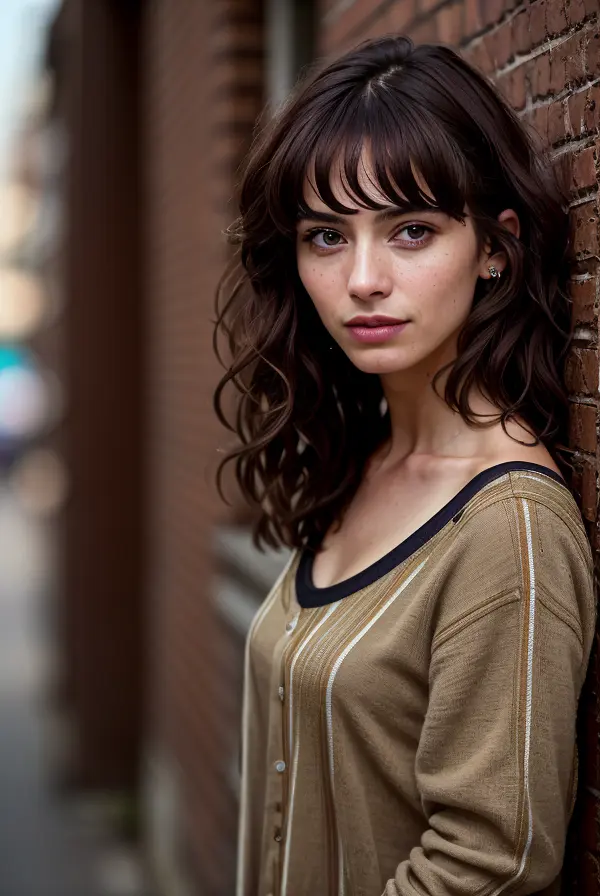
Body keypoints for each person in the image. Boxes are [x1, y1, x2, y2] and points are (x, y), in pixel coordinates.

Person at [213, 34, 596, 896]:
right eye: (325, 236)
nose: (362, 279)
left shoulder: (509, 530)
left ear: (494, 246)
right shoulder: (363, 461)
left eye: (411, 231)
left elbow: (490, 861)